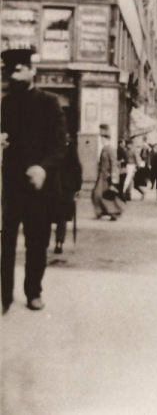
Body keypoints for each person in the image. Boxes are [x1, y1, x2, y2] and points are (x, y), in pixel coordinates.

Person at [1, 48, 67, 312]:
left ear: (32, 71)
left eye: (19, 69)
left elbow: (60, 145)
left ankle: (33, 293)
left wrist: (43, 167)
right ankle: (5, 295)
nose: (13, 75)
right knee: (6, 240)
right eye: (9, 71)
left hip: (40, 185)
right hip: (12, 184)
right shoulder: (5, 103)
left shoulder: (49, 102)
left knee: (37, 242)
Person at [54, 134, 83, 254]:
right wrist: (77, 187)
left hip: (58, 186)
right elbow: (77, 167)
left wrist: (77, 187)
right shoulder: (69, 146)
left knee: (56, 215)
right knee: (61, 217)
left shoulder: (52, 143)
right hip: (65, 186)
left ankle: (57, 242)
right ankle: (59, 242)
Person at [91, 124, 125, 220]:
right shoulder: (105, 149)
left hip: (107, 177)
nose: (101, 140)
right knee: (98, 194)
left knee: (105, 195)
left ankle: (114, 212)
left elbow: (114, 164)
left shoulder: (110, 149)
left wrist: (114, 178)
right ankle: (102, 211)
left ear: (106, 139)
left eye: (102, 138)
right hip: (102, 176)